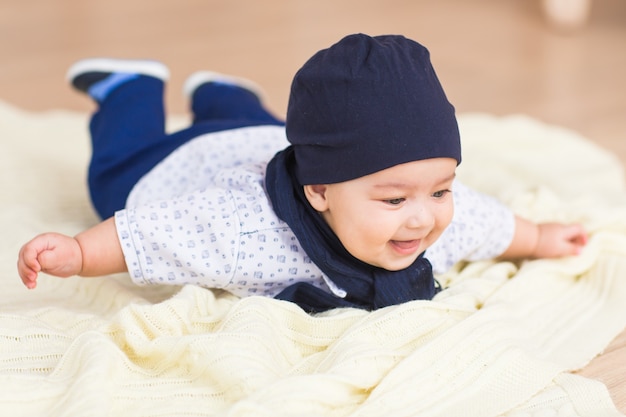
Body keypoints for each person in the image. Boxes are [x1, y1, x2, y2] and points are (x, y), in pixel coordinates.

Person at [17, 33, 587, 313]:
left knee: (261, 126)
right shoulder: (245, 229)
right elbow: (146, 234)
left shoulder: (431, 218)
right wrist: (79, 254)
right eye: (393, 201)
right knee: (113, 178)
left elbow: (488, 223)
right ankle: (131, 89)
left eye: (441, 189)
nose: (424, 216)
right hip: (185, 162)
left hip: (268, 138)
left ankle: (225, 94)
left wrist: (537, 237)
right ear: (317, 192)